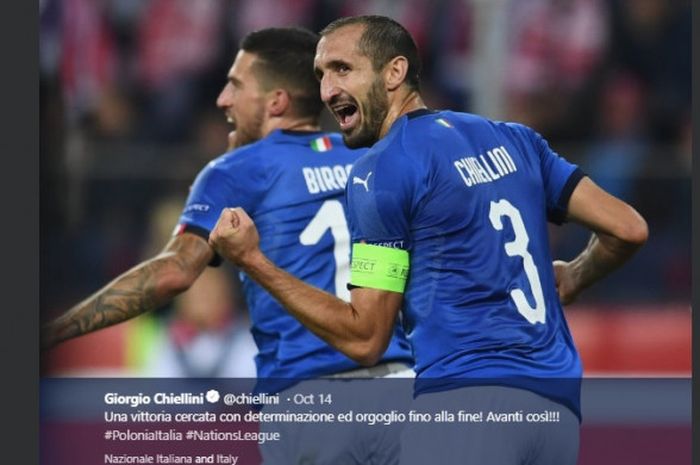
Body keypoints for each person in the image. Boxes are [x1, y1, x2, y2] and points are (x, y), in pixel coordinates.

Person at [208, 16, 648, 465]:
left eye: (343, 69)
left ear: (394, 72)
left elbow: (366, 338)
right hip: (556, 412)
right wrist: (575, 274)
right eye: (321, 75)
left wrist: (253, 261)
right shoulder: (515, 139)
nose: (326, 91)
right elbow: (627, 228)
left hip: (464, 405)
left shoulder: (382, 171)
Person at [42, 27, 414, 463]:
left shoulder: (237, 170)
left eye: (236, 86)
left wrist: (55, 331)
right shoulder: (370, 158)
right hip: (399, 393)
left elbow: (173, 273)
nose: (222, 100)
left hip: (311, 401)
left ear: (275, 102)